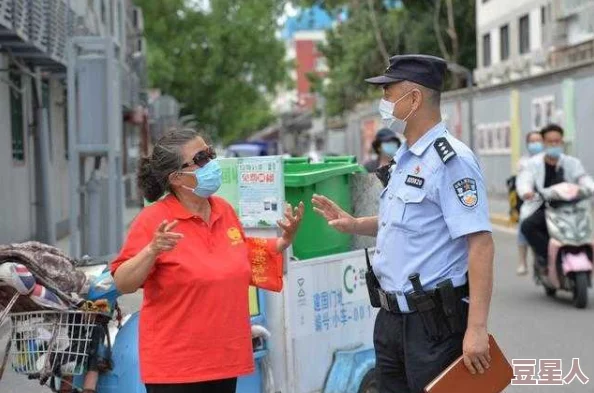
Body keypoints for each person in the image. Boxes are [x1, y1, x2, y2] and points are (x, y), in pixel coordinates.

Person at [312, 54, 494, 393]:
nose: (383, 102)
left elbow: (480, 243)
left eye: (387, 92)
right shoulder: (404, 158)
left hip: (434, 327)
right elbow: (404, 223)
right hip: (391, 319)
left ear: (414, 98)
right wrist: (354, 224)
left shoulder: (450, 160)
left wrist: (477, 328)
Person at [110, 129, 304, 393]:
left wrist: (284, 241)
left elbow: (240, 255)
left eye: (210, 153)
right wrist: (152, 250)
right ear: (177, 178)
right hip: (177, 369)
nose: (211, 163)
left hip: (224, 360)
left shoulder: (223, 209)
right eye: (201, 158)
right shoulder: (154, 219)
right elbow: (123, 281)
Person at [518, 124, 594, 266]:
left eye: (557, 141)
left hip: (572, 206)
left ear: (562, 142)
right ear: (544, 143)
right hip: (545, 206)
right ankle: (548, 257)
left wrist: (589, 187)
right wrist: (526, 191)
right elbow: (525, 179)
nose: (554, 144)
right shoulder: (533, 164)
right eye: (550, 141)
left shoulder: (572, 163)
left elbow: (583, 177)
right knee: (527, 226)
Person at [515, 131, 544, 275]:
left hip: (551, 201)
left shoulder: (550, 159)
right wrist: (527, 192)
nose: (536, 144)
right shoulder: (524, 162)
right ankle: (522, 261)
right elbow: (523, 181)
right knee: (524, 225)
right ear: (528, 144)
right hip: (532, 201)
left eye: (539, 141)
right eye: (533, 141)